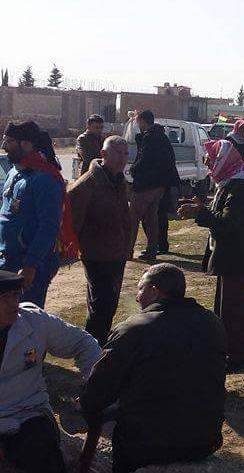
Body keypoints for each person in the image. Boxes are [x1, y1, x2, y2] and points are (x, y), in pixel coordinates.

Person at [81, 264, 225, 473]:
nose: (137, 297)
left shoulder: (134, 329)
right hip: (205, 439)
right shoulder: (212, 322)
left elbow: (99, 390)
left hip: (149, 446)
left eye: (140, 289)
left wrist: (87, 406)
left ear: (155, 292)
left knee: (123, 428)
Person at [0, 270, 101, 473]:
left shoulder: (34, 322)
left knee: (44, 452)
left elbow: (83, 344)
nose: (13, 303)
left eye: (15, 295)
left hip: (26, 410)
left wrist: (95, 387)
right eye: (4, 298)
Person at [178, 139, 244, 370]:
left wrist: (199, 213)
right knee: (226, 307)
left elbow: (228, 221)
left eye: (210, 160)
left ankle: (236, 357)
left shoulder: (239, 185)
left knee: (233, 309)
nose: (208, 164)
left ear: (223, 159)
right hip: (233, 254)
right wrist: (202, 208)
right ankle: (226, 352)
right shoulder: (233, 180)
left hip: (237, 255)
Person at [67, 135, 132, 344]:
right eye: (117, 153)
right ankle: (93, 347)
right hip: (96, 254)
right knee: (100, 304)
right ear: (103, 154)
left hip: (117, 252)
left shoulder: (119, 180)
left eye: (126, 154)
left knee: (110, 303)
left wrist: (127, 246)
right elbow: (72, 219)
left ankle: (99, 343)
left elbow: (125, 216)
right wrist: (78, 245)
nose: (122, 158)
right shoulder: (88, 183)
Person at [0, 120, 68, 305]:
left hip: (28, 265)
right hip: (8, 260)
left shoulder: (45, 179)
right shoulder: (14, 173)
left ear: (26, 145)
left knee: (25, 317)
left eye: (9, 141)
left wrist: (30, 264)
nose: (4, 146)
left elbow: (49, 226)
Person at [128, 110, 179, 261]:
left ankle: (127, 250)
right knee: (152, 218)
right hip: (159, 184)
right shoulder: (162, 136)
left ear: (143, 121)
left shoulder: (149, 138)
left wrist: (133, 169)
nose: (137, 124)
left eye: (138, 121)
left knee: (133, 217)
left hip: (146, 184)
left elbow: (145, 159)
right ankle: (151, 250)